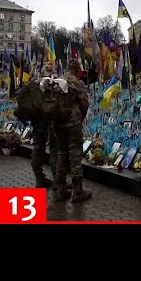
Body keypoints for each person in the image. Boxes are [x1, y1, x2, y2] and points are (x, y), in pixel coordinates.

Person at [53, 59, 92, 203]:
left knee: (61, 155)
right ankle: (78, 191)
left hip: (58, 124)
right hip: (73, 124)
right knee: (75, 156)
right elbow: (84, 104)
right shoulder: (77, 83)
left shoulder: (58, 81)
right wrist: (79, 118)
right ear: (77, 69)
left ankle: (60, 190)